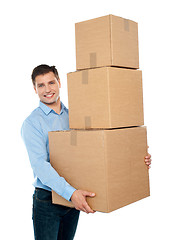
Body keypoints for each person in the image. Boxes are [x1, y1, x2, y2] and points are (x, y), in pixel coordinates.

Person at [21, 64, 152, 240]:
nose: (47, 89)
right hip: (48, 201)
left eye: (51, 83)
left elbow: (95, 150)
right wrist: (71, 193)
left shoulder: (77, 116)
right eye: (41, 85)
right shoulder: (32, 123)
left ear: (59, 82)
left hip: (73, 198)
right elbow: (40, 166)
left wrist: (136, 158)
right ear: (34, 89)